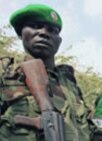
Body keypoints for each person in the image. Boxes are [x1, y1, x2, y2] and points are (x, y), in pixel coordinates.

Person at [0, 4, 91, 141]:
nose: (44, 33)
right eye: (35, 26)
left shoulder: (71, 86)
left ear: (59, 41)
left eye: (52, 30)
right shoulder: (5, 71)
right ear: (20, 33)